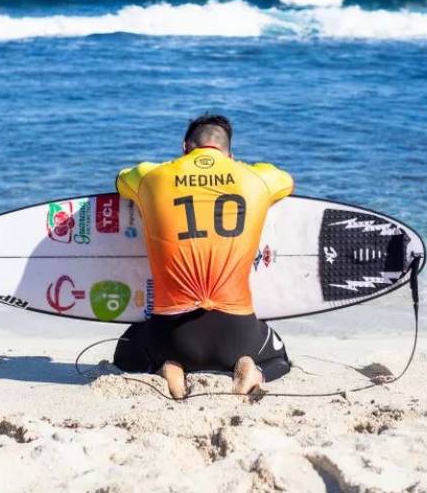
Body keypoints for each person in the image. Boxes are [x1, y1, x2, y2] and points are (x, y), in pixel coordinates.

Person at [112, 114, 294, 398]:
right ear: (230, 153)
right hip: (238, 333)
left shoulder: (151, 176)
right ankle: (253, 369)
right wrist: (236, 169)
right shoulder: (256, 178)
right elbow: (287, 181)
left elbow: (121, 180)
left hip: (172, 334)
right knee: (279, 358)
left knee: (127, 351)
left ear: (185, 147)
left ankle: (168, 367)